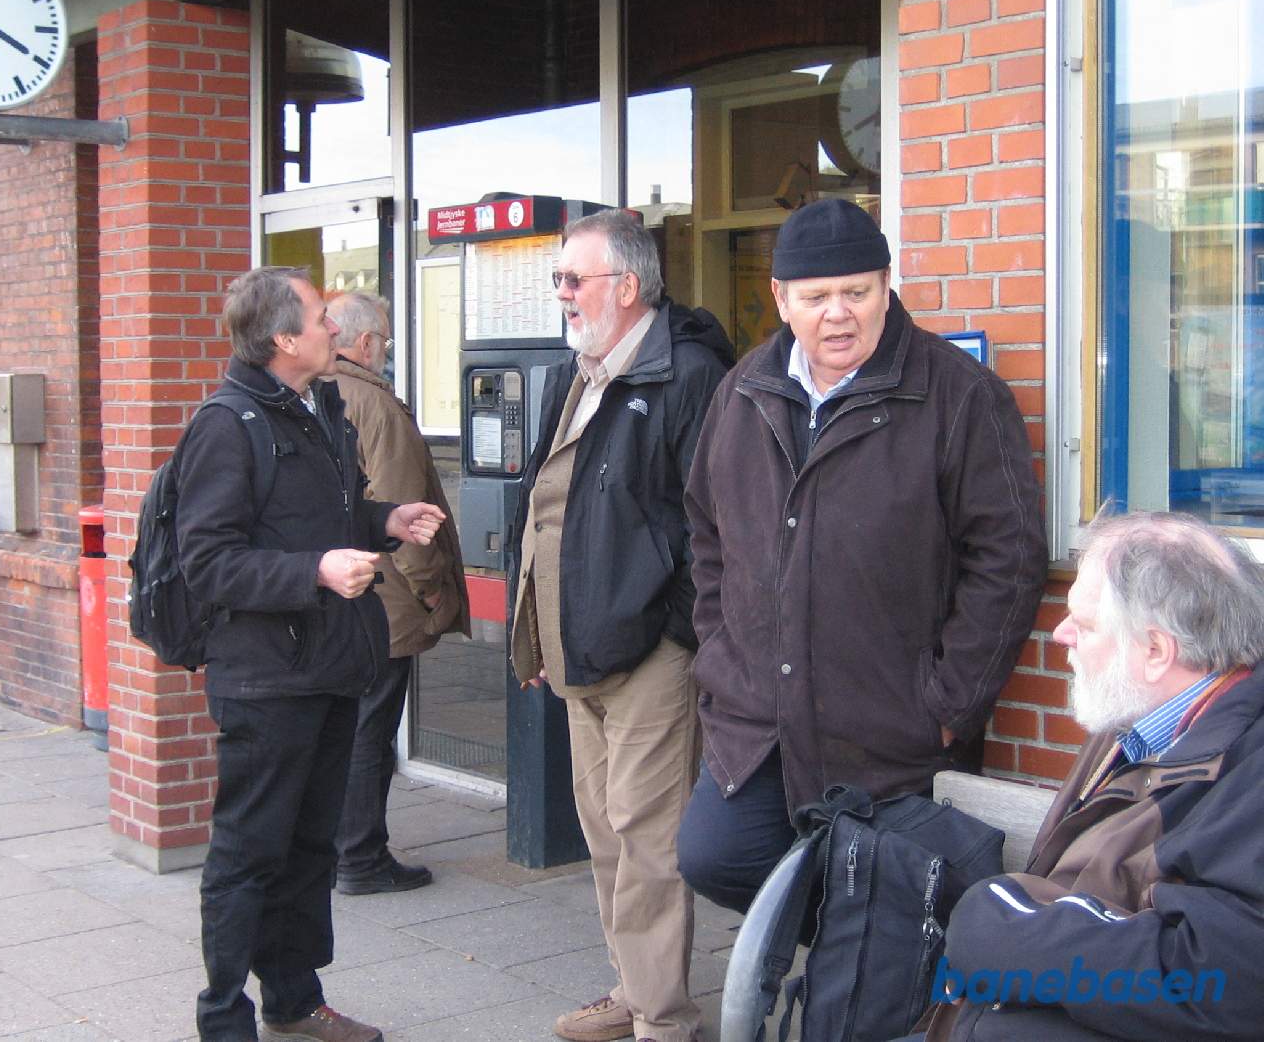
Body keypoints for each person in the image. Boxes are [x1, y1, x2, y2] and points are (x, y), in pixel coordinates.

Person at [678, 198, 1048, 914]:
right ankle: (861, 956)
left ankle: (865, 979)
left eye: (857, 292)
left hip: (891, 727)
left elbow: (1009, 562)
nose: (837, 314)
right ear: (782, 299)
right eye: (817, 297)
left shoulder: (960, 396)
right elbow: (706, 531)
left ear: (886, 285)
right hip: (759, 720)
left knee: (883, 887)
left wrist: (946, 706)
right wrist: (722, 652)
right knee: (716, 857)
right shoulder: (743, 390)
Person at [178, 266, 446, 1042]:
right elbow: (208, 561)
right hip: (264, 681)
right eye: (323, 317)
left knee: (307, 852)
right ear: (284, 338)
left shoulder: (320, 406)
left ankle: (294, 1000)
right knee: (247, 853)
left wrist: (385, 520)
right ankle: (224, 1015)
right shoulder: (226, 426)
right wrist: (315, 572)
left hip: (328, 665)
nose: (337, 328)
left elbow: (321, 515)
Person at [901, 510, 1264, 1041]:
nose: (1060, 634)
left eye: (1086, 624)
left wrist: (1003, 928)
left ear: (1157, 651)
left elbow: (1217, 978)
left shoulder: (1245, 769)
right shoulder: (1140, 718)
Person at [508, 209, 733, 1042]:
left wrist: (674, 635)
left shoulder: (691, 375)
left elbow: (715, 529)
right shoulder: (587, 368)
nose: (562, 294)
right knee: (606, 835)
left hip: (648, 657)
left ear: (628, 287)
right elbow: (548, 503)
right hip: (580, 651)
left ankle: (664, 1023)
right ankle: (635, 989)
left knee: (648, 843)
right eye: (559, 279)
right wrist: (536, 632)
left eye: (575, 279)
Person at [326, 290, 471, 896]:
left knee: (346, 726)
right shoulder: (375, 405)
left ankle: (340, 849)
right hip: (384, 598)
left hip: (339, 588)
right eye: (383, 340)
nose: (385, 350)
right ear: (364, 344)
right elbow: (406, 513)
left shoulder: (312, 392)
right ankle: (360, 857)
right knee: (371, 730)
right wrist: (434, 591)